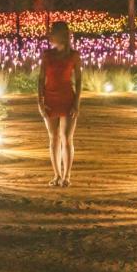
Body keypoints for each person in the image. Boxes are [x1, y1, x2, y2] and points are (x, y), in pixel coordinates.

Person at [38, 20, 82, 186]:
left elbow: (78, 81)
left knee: (67, 138)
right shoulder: (47, 55)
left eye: (53, 33)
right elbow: (41, 79)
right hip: (50, 98)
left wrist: (76, 103)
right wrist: (40, 101)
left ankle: (67, 176)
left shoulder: (73, 56)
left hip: (67, 99)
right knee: (53, 138)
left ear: (61, 35)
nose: (50, 36)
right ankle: (56, 174)